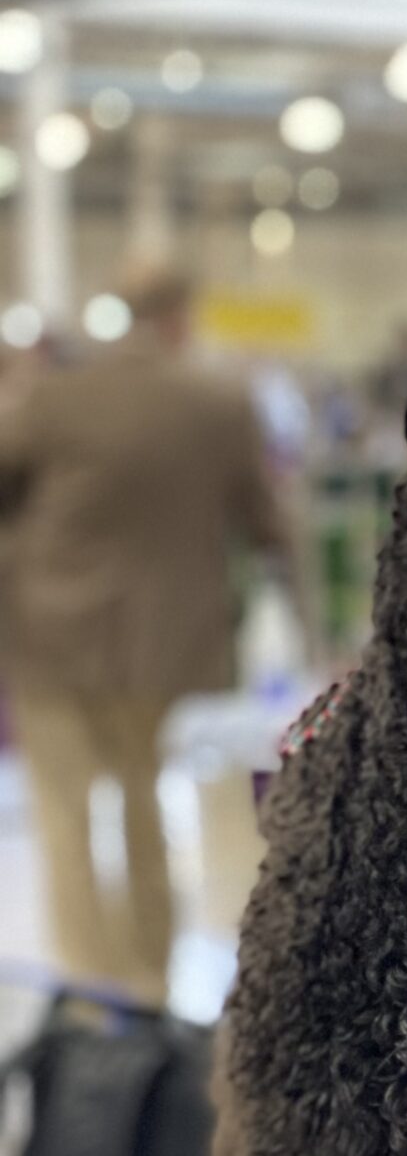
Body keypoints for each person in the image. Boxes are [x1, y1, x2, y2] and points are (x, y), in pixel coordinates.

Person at [0, 261, 290, 1003]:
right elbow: (266, 525)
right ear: (181, 315)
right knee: (147, 815)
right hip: (169, 645)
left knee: (64, 822)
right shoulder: (220, 404)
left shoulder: (54, 399)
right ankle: (148, 982)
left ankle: (88, 987)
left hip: (51, 639)